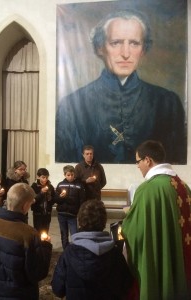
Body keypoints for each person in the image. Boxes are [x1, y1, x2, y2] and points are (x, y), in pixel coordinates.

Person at [55, 9, 186, 164]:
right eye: (116, 43)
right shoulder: (70, 106)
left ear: (143, 49)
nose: (125, 53)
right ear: (100, 47)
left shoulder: (168, 103)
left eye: (134, 43)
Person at [121, 140, 191, 300]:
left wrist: (129, 219)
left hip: (161, 259)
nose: (138, 166)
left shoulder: (148, 189)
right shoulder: (183, 186)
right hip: (182, 257)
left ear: (148, 160)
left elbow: (135, 232)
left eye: (138, 161)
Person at [0, 183, 52, 300]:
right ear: (25, 206)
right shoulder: (28, 233)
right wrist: (45, 246)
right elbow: (38, 272)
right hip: (15, 294)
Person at [51, 199, 133, 300]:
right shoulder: (115, 253)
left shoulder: (69, 253)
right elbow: (126, 286)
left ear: (80, 222)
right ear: (104, 222)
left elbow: (58, 289)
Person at [55, 165, 86, 249]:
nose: (70, 177)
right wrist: (60, 197)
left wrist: (80, 212)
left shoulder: (79, 185)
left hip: (72, 214)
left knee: (74, 233)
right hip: (61, 213)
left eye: (72, 175)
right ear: (64, 175)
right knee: (64, 233)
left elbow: (82, 200)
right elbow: (56, 199)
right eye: (68, 175)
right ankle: (65, 249)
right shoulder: (60, 185)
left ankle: (75, 249)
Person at [31, 168, 55, 234]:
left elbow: (54, 198)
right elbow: (33, 200)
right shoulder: (34, 187)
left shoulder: (50, 186)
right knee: (37, 232)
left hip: (47, 213)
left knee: (45, 232)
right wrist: (41, 193)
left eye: (47, 177)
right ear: (38, 177)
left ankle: (45, 244)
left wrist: (51, 199)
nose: (45, 179)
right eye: (43, 177)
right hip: (38, 213)